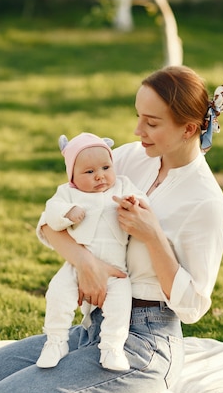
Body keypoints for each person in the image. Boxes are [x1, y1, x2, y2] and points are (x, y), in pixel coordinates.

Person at [0, 66, 223, 393]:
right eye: (138, 117)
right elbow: (48, 225)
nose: (138, 130)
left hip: (146, 342)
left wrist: (152, 236)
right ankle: (95, 377)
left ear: (188, 129)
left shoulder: (204, 200)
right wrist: (86, 264)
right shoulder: (129, 158)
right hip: (94, 327)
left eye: (151, 123)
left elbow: (192, 307)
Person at [36, 132, 148, 372]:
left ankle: (112, 349)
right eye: (89, 172)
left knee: (120, 304)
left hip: (116, 269)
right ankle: (56, 341)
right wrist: (67, 213)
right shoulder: (68, 193)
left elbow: (142, 200)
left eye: (106, 167)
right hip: (77, 266)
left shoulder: (123, 185)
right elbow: (51, 213)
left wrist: (133, 202)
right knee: (57, 292)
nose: (99, 175)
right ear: (73, 177)